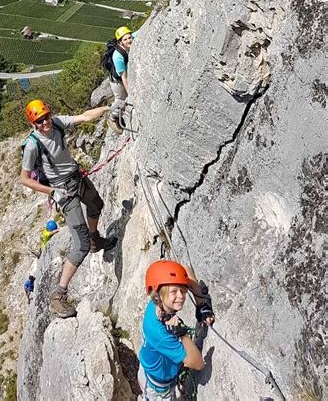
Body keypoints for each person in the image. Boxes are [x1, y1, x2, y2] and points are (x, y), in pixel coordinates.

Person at [20, 98, 117, 319]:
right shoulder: (33, 145)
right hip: (63, 192)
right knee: (80, 245)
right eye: (40, 121)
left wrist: (107, 108)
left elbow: (83, 117)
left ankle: (96, 239)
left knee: (96, 205)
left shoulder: (56, 123)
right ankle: (58, 296)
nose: (45, 123)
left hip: (76, 178)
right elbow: (24, 179)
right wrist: (51, 192)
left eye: (45, 117)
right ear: (33, 123)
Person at [139, 260, 214, 400]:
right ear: (158, 295)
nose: (181, 296)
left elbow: (186, 270)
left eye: (183, 290)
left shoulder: (157, 305)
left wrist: (201, 305)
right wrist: (182, 333)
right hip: (159, 389)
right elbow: (198, 364)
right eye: (174, 291)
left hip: (152, 368)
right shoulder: (159, 332)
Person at [107, 26, 137, 127]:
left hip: (123, 76)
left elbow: (140, 32)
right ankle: (113, 117)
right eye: (125, 39)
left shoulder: (132, 37)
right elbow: (124, 77)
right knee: (121, 100)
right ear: (120, 42)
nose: (129, 40)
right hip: (117, 81)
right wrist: (130, 95)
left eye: (129, 37)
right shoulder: (118, 56)